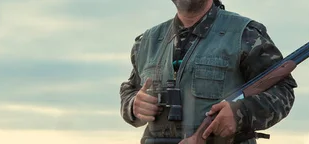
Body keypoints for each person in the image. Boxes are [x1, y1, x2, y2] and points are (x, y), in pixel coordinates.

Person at [119, 0, 297, 143]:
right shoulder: (147, 42)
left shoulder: (246, 34)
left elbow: (283, 91)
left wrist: (240, 113)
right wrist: (134, 106)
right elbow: (130, 90)